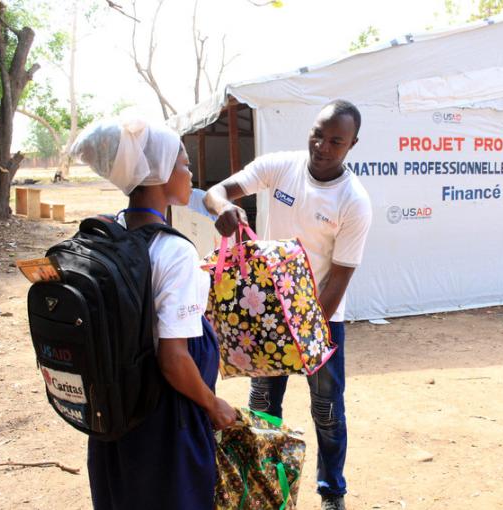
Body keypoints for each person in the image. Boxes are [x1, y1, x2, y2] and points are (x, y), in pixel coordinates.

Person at [204, 99, 372, 510]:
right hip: (267, 317)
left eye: (336, 140)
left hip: (321, 320)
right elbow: (216, 191)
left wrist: (304, 336)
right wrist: (224, 207)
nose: (323, 146)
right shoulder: (281, 166)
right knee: (262, 406)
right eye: (318, 134)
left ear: (352, 144)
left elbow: (338, 280)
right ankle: (261, 485)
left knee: (327, 411)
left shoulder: (354, 201)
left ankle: (332, 491)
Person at [71, 117, 236, 509]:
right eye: (184, 163)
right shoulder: (174, 251)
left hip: (116, 413)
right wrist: (213, 404)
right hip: (166, 420)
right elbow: (173, 359)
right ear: (160, 173)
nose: (190, 172)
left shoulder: (110, 233)